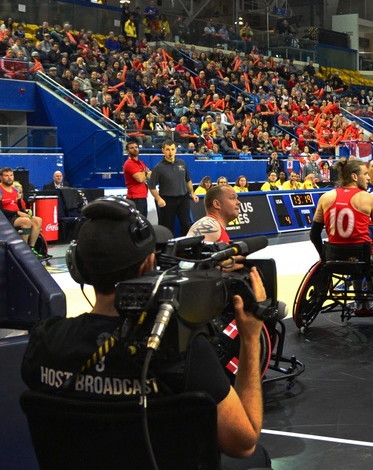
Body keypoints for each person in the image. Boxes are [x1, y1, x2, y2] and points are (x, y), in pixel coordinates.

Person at [21, 197, 270, 469]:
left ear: (77, 267)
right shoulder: (178, 348)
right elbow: (243, 443)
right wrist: (250, 337)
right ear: (147, 266)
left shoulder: (45, 341)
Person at [308, 158, 373, 315]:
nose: (368, 177)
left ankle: (358, 302)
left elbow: (314, 234)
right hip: (363, 258)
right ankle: (369, 302)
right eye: (365, 174)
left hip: (334, 258)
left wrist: (323, 256)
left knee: (354, 253)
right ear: (354, 177)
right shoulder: (369, 199)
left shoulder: (326, 197)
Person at [147, 141, 199, 234]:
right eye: (167, 149)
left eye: (172, 149)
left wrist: (192, 193)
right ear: (163, 150)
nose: (170, 152)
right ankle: (166, 247)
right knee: (167, 226)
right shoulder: (158, 168)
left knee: (186, 224)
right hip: (167, 200)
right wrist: (159, 199)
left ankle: (186, 246)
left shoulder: (182, 163)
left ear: (176, 150)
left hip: (183, 199)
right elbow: (151, 187)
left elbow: (188, 180)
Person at [1, 167, 43, 248]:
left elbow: (20, 207)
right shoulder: (0, 191)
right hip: (5, 218)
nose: (9, 178)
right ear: (1, 177)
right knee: (26, 221)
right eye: (6, 176)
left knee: (38, 220)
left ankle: (31, 248)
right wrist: (17, 213)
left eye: (11, 175)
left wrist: (25, 211)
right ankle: (24, 249)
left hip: (16, 216)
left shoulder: (15, 191)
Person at [123, 140, 152, 217]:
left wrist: (144, 174)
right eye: (132, 148)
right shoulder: (129, 163)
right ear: (127, 151)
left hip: (142, 196)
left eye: (136, 147)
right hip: (135, 198)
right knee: (137, 221)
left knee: (143, 220)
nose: (135, 149)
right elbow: (139, 179)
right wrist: (145, 173)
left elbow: (150, 174)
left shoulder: (141, 163)